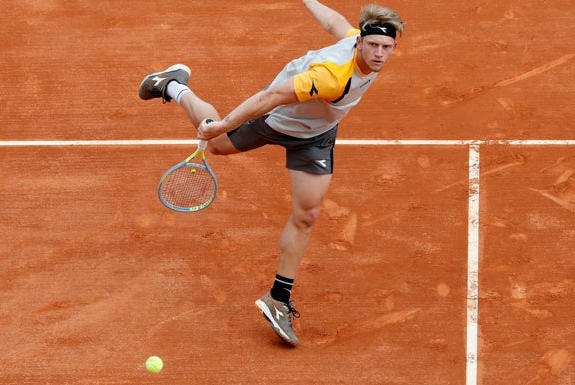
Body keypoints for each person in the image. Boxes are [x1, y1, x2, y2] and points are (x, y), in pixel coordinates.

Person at [138, 0, 405, 347]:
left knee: (307, 214)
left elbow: (334, 21)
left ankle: (278, 298)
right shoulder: (329, 77)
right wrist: (225, 123)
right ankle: (174, 86)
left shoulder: (357, 39)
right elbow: (272, 96)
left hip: (316, 134)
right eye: (373, 46)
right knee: (217, 143)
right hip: (275, 122)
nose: (380, 54)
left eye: (386, 47)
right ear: (360, 44)